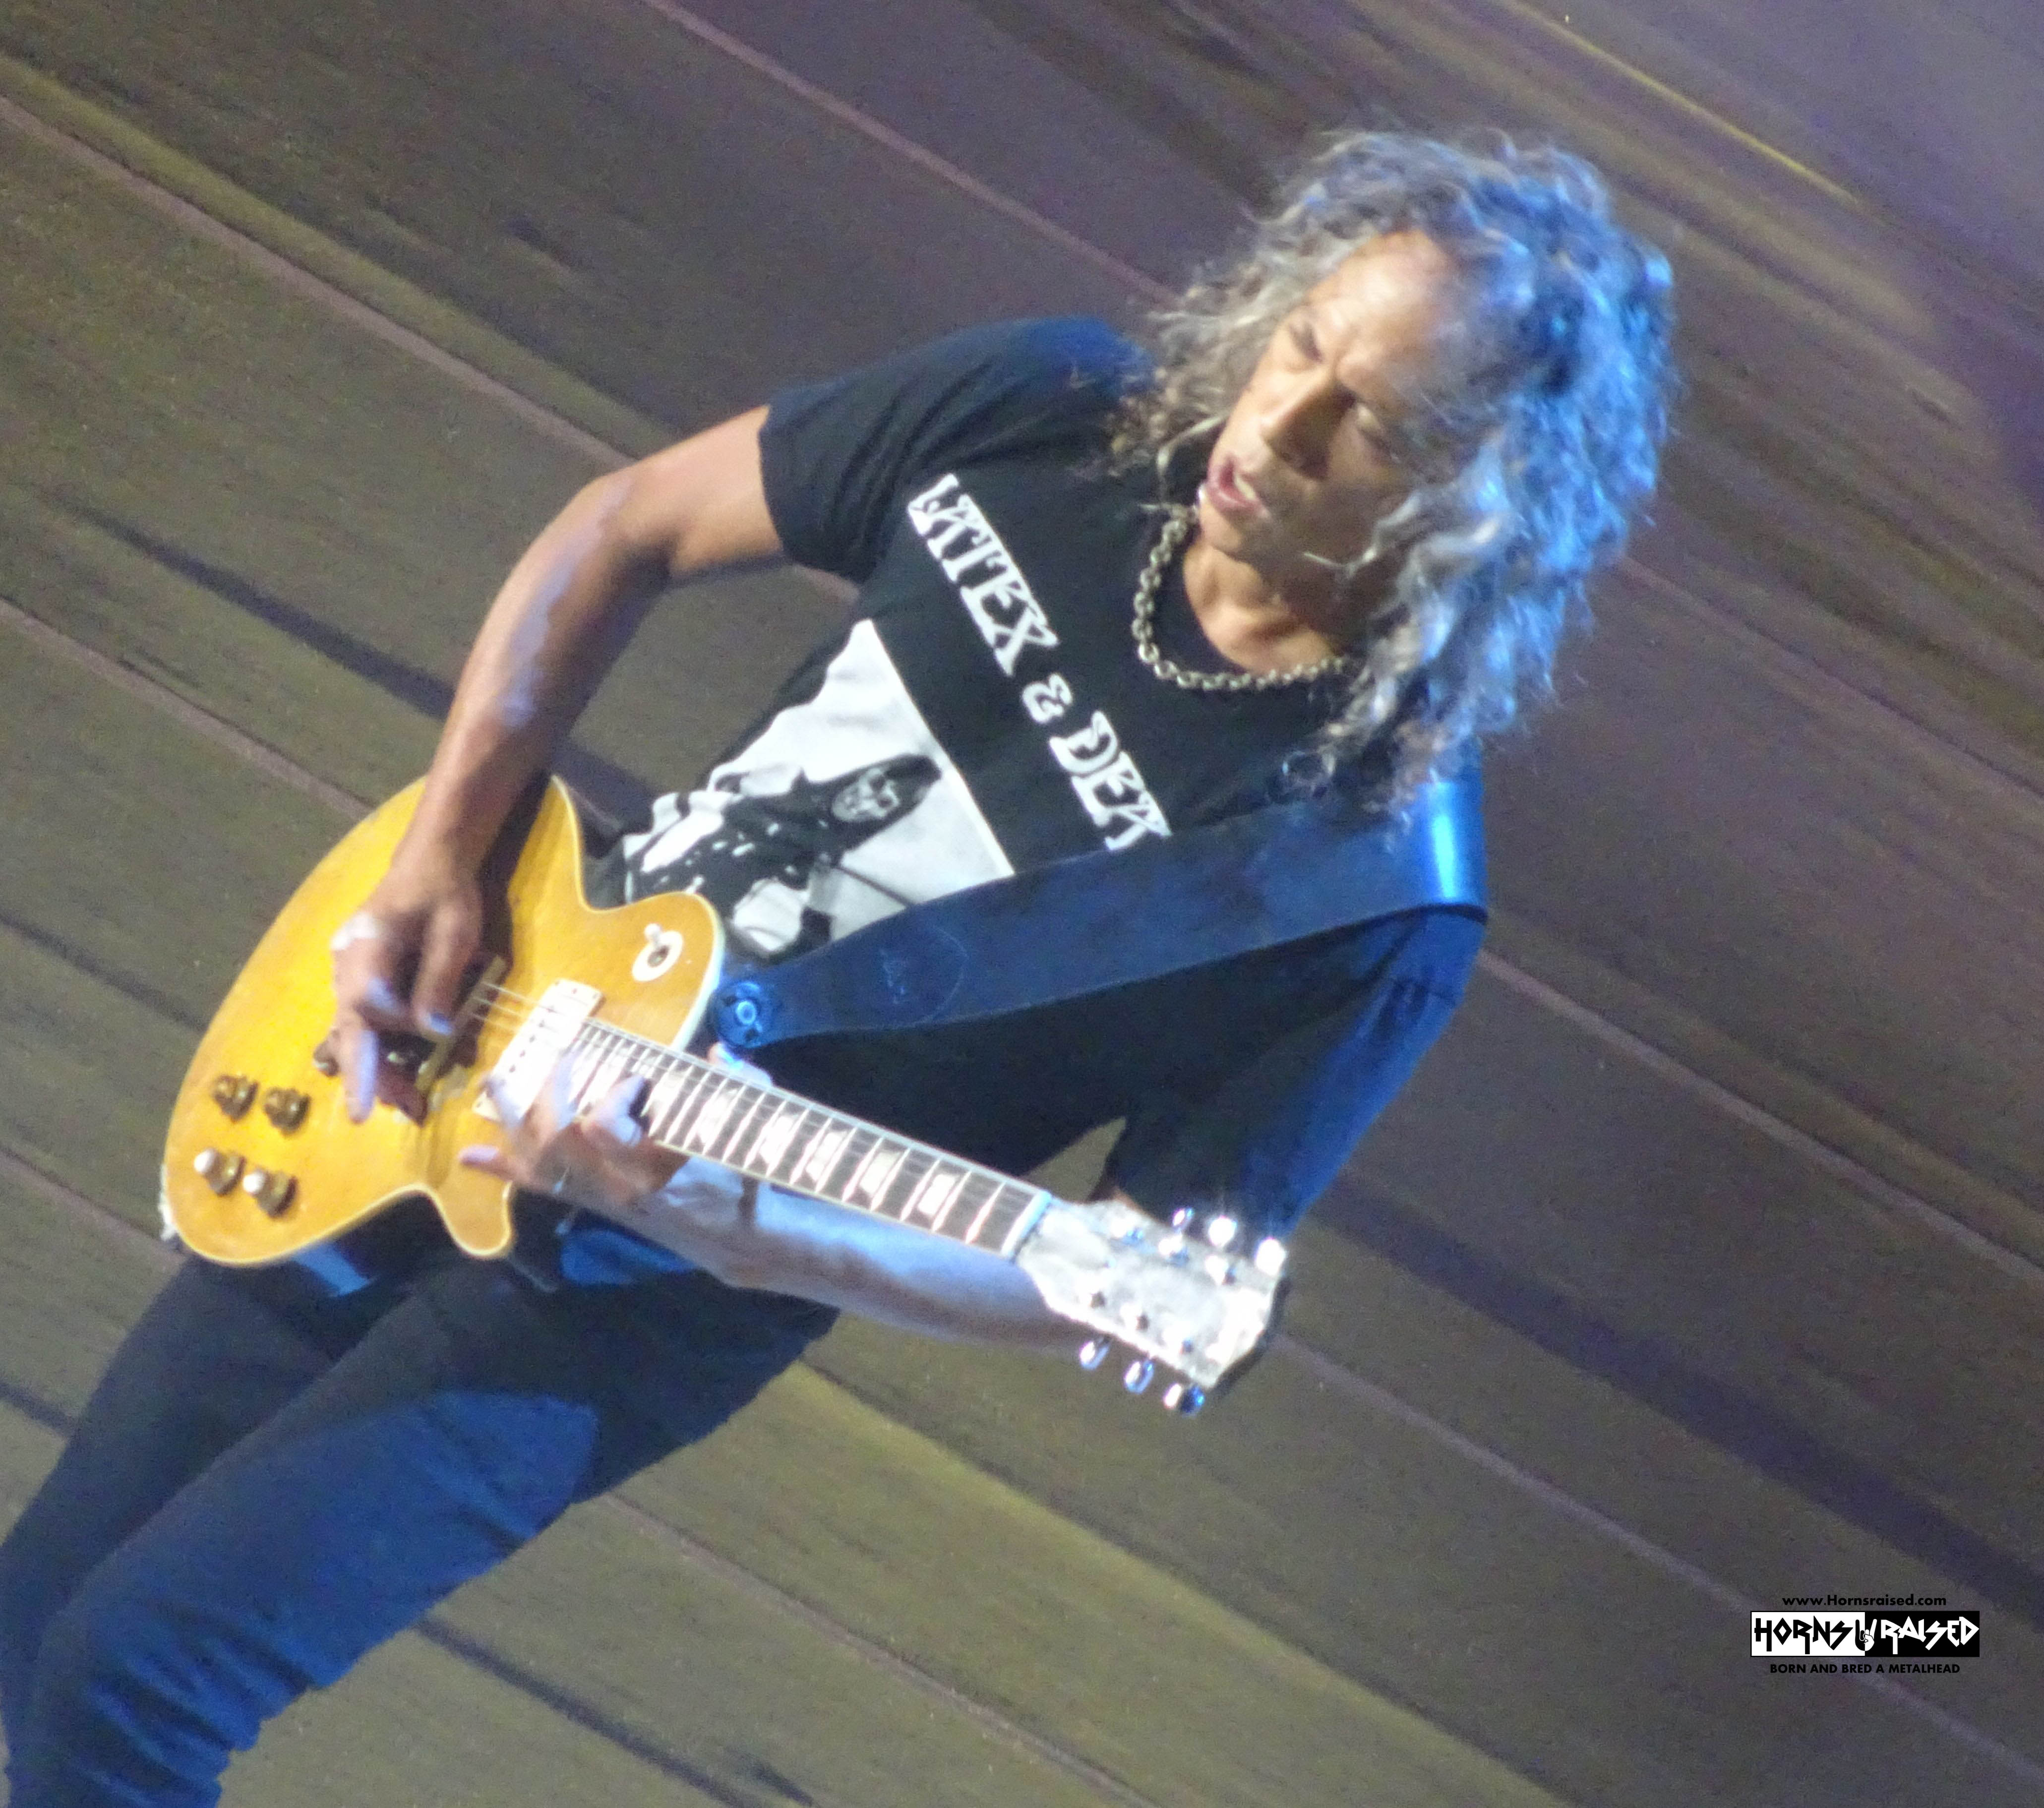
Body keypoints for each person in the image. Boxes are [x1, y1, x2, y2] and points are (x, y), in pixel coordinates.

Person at [0, 130, 1674, 1802]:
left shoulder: (1364, 885)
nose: (1279, 424)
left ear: (1481, 506)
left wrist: (726, 1218)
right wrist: (444, 850)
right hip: (468, 1038)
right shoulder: (1052, 414)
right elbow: (628, 523)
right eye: (1299, 344)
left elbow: (1110, 1269)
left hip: (639, 1300)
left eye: (1371, 425)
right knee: (32, 1623)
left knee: (126, 1687)